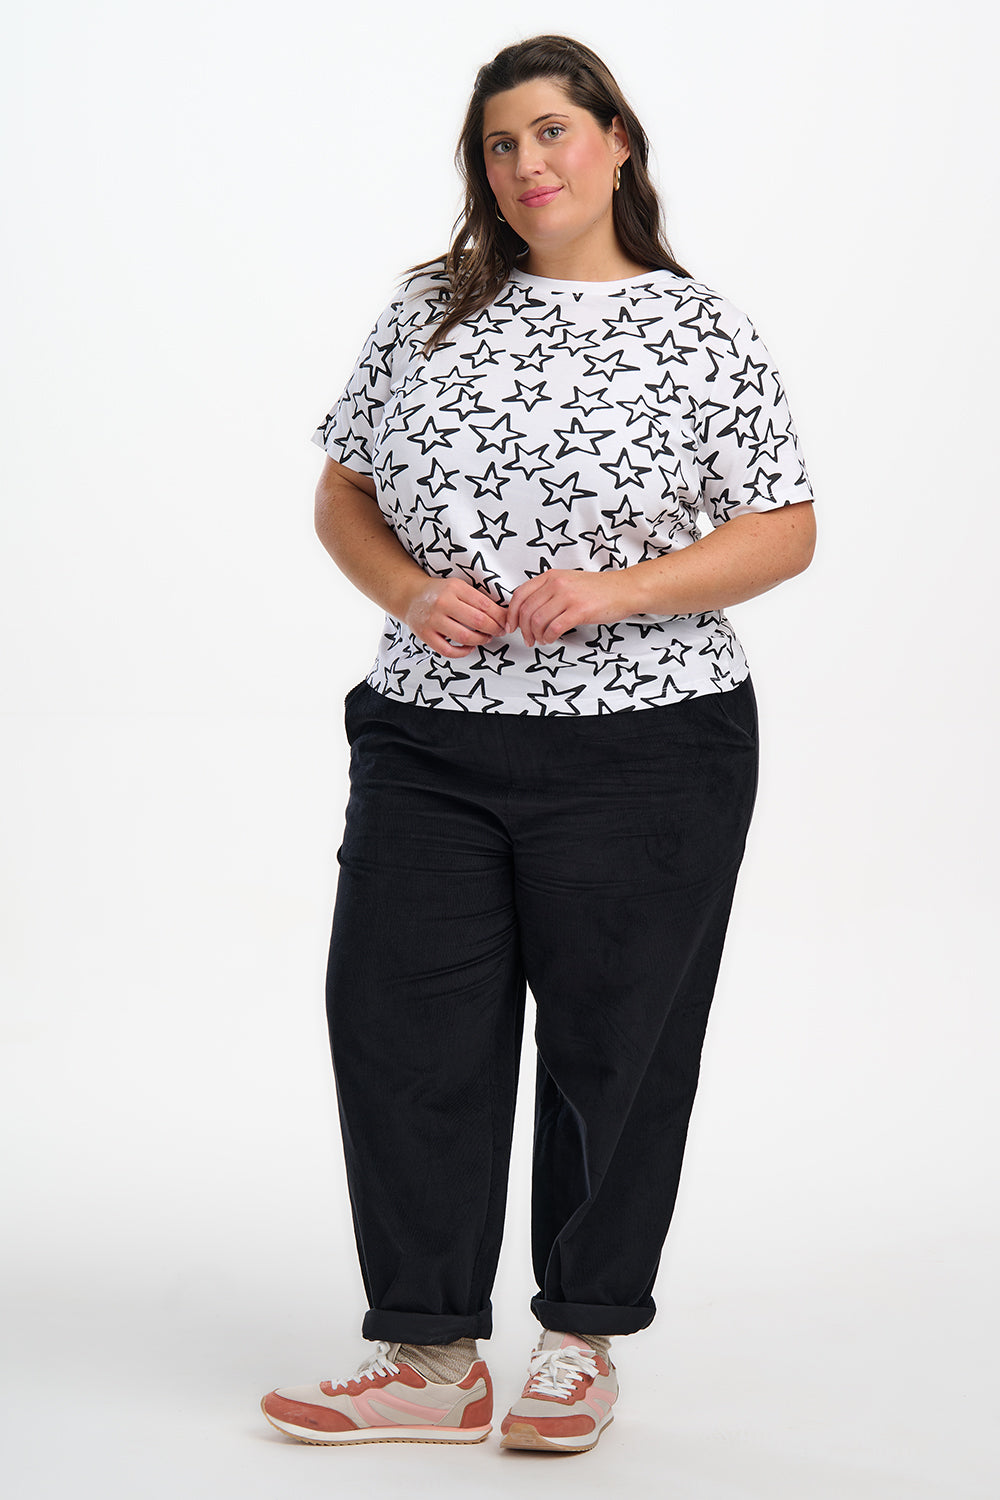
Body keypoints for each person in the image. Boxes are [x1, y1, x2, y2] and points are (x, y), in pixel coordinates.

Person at [261, 33, 816, 1454]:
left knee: (614, 1046)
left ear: (618, 141)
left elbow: (785, 528)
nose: (529, 166)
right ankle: (432, 1354)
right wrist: (403, 589)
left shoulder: (706, 331)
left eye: (554, 132)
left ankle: (581, 1340)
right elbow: (344, 495)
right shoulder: (427, 313)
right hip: (432, 738)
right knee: (398, 1028)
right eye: (501, 145)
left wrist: (623, 590)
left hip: (650, 744)